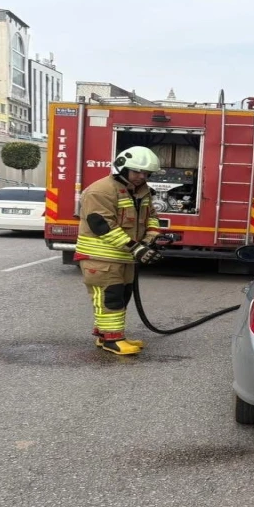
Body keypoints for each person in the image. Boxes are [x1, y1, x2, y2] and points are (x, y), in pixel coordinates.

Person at [74, 146, 163, 355]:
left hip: (125, 257)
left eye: (146, 173)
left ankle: (107, 335)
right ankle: (113, 340)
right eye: (137, 172)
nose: (142, 177)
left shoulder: (141, 191)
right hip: (101, 258)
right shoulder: (101, 191)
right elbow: (103, 226)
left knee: (122, 296)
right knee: (110, 298)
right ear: (122, 168)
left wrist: (148, 241)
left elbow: (151, 217)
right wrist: (136, 248)